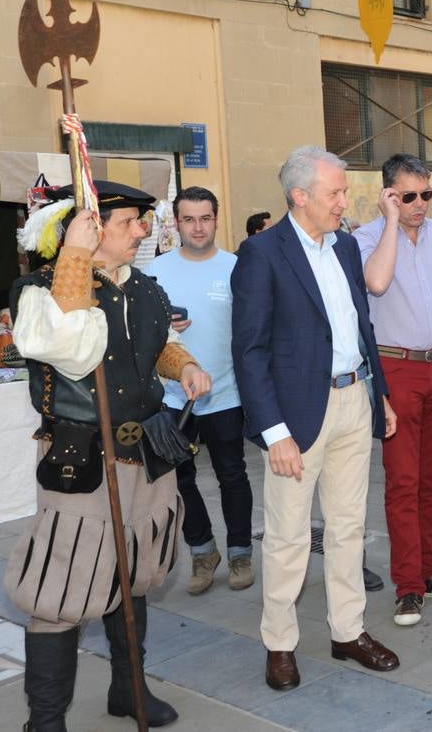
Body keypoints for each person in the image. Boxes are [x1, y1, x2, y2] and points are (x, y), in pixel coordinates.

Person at [5, 179, 212, 730]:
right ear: (89, 230)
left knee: (135, 571)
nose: (141, 231)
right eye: (128, 223)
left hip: (145, 455)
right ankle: (45, 720)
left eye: (141, 221)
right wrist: (75, 254)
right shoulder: (41, 290)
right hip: (83, 463)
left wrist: (182, 364)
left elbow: (154, 342)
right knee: (61, 585)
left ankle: (128, 687)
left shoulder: (142, 287)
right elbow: (70, 346)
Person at [231, 145, 401, 691]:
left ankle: (347, 631)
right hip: (298, 417)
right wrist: (274, 432)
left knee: (350, 527)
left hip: (355, 400)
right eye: (336, 193)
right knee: (288, 537)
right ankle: (279, 643)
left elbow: (360, 326)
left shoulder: (346, 247)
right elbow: (250, 351)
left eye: (345, 191)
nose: (344, 202)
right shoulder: (262, 254)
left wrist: (381, 395)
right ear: (299, 196)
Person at [355, 153, 432, 628]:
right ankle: (407, 585)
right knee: (402, 481)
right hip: (395, 367)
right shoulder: (366, 237)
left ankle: (430, 572)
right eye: (408, 196)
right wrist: (389, 223)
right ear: (388, 194)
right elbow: (376, 283)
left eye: (425, 193)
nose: (419, 204)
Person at [145, 186, 253, 596]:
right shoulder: (156, 271)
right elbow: (141, 334)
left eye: (205, 218)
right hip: (172, 398)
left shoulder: (237, 267)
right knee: (177, 479)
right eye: (188, 219)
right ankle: (203, 551)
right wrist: (163, 328)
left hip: (225, 394)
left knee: (233, 476)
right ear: (176, 223)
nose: (197, 227)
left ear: (216, 219)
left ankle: (240, 552)